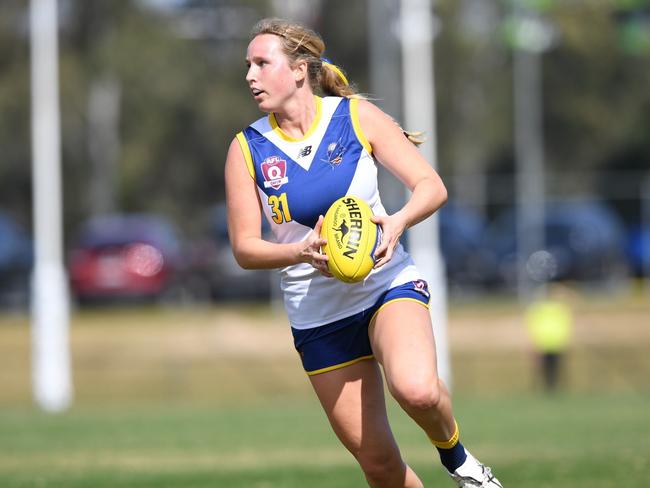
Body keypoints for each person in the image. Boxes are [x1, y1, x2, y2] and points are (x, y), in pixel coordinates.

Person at [225, 17, 502, 488]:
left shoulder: (354, 117)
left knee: (416, 390)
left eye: (261, 63)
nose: (250, 75)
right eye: (247, 65)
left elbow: (430, 187)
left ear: (298, 70)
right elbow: (245, 249)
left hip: (384, 283)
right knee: (378, 464)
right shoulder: (247, 148)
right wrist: (299, 252)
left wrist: (397, 222)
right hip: (317, 315)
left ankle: (461, 464)